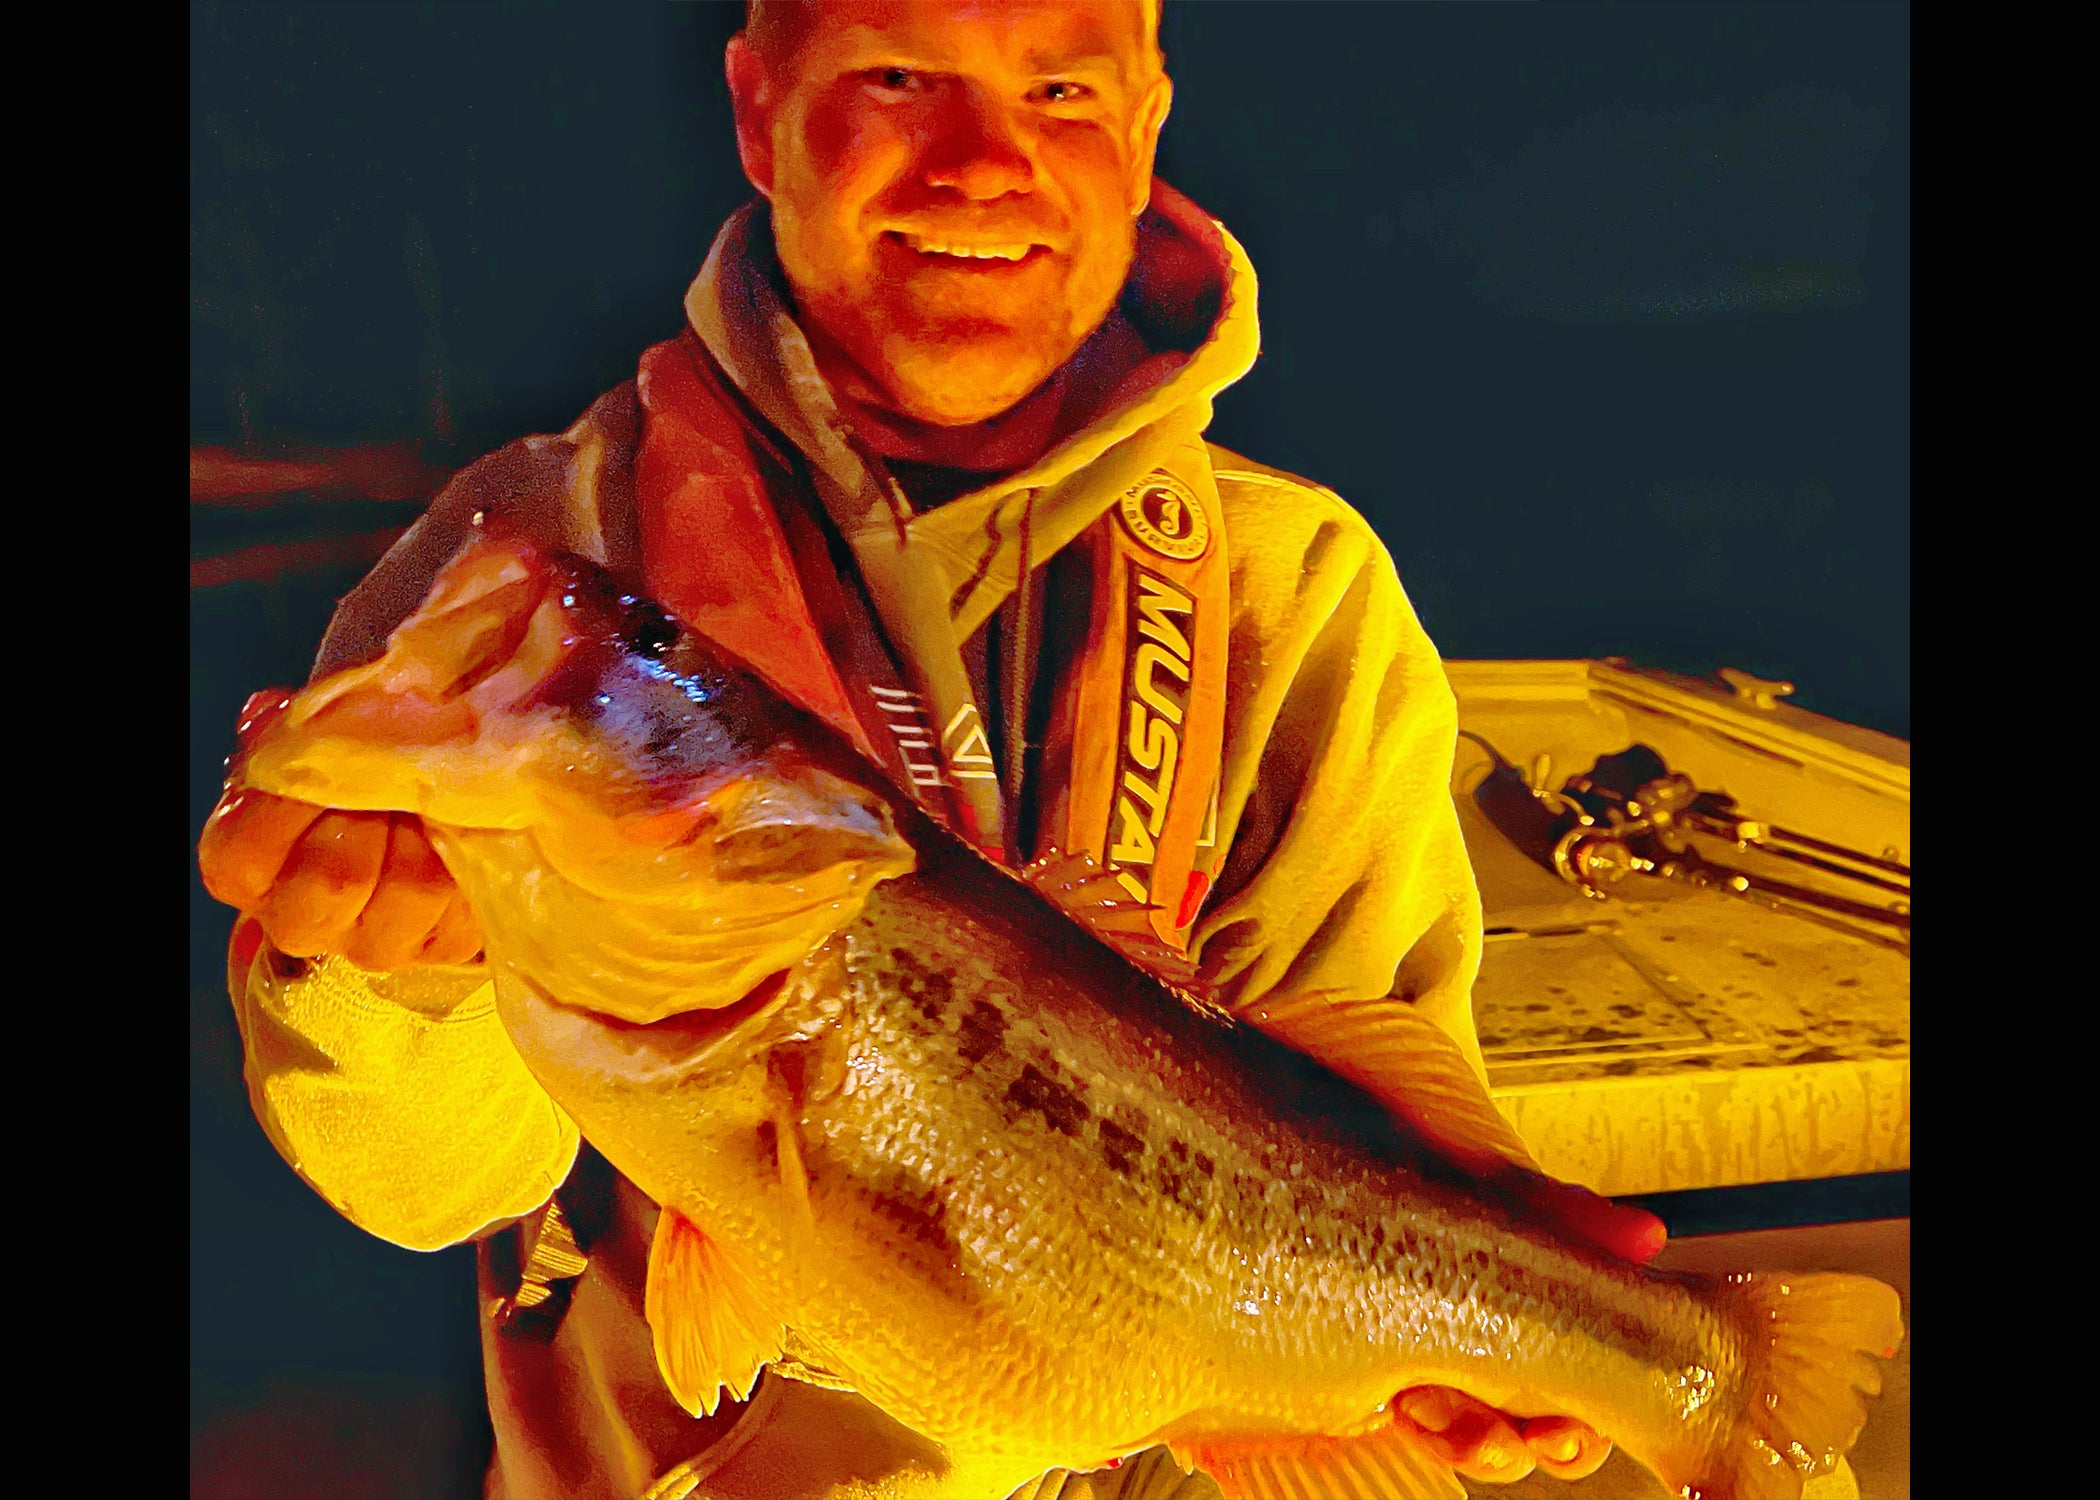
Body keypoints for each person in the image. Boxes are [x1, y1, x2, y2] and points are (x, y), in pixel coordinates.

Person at [199, 4, 1661, 1496]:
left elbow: (1377, 1096)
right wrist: (390, 975)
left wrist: (1465, 1342)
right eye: (897, 77)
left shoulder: (1297, 591)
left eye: (1061, 90)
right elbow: (420, 1186)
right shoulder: (539, 558)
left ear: (1146, 126)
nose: (982, 161)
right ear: (758, 111)